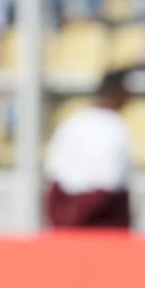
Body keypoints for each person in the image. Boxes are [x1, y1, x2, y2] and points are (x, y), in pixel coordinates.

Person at [44, 70, 133, 229]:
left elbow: (54, 177)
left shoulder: (72, 122)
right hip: (102, 221)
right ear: (120, 93)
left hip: (68, 212)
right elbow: (108, 185)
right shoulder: (114, 127)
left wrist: (63, 220)